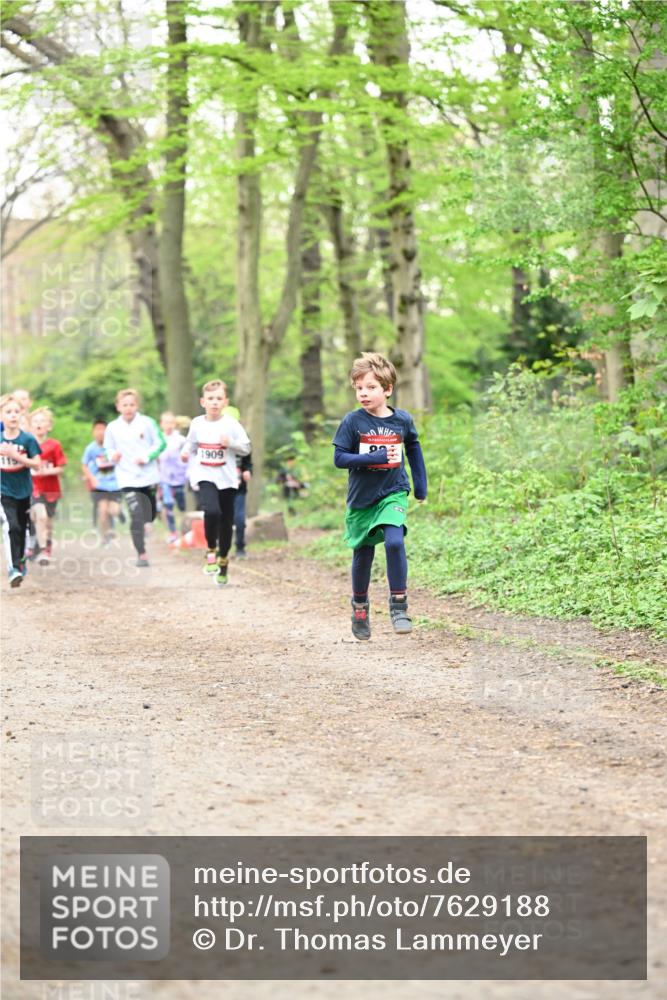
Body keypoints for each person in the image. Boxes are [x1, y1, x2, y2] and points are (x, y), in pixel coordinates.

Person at [332, 352, 427, 640]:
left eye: (371, 387)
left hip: (393, 491)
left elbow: (413, 447)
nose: (363, 393)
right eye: (359, 388)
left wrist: (420, 485)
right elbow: (339, 458)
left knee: (395, 541)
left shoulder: (402, 420)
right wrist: (369, 457)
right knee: (363, 553)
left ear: (387, 389)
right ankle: (360, 605)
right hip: (362, 498)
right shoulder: (353, 422)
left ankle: (399, 606)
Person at [181, 379, 250, 585]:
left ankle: (223, 560)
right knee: (212, 512)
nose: (214, 402)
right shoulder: (197, 423)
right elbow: (191, 444)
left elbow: (246, 448)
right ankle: (211, 549)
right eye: (210, 399)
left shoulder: (231, 424)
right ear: (203, 402)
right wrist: (185, 452)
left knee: (227, 522)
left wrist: (231, 444)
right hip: (204, 475)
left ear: (225, 402)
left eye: (219, 399)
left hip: (227, 479)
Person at [104, 389, 166, 567]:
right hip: (126, 476)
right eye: (125, 405)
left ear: (136, 406)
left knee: (150, 513)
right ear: (118, 407)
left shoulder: (148, 423)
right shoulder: (113, 427)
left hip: (148, 475)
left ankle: (149, 521)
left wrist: (146, 457)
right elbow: (108, 448)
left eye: (132, 404)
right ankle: (142, 553)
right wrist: (112, 455)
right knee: (136, 515)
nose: (128, 408)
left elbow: (161, 443)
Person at [0, 395, 42, 587]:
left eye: (17, 412)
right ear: (2, 416)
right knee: (11, 527)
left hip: (24, 491)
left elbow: (37, 464)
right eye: (8, 412)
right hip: (4, 491)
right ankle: (13, 568)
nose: (13, 415)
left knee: (23, 529)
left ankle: (21, 561)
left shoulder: (28, 439)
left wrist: (16, 455)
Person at [29, 407, 67, 565]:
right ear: (31, 426)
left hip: (52, 489)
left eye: (42, 421)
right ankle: (42, 550)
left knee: (48, 522)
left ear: (49, 426)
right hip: (33, 488)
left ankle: (45, 547)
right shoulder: (27, 443)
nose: (39, 424)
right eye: (36, 421)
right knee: (40, 516)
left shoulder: (54, 445)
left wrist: (47, 471)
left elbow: (61, 468)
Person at [81, 419, 123, 545]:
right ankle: (106, 537)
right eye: (97, 429)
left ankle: (121, 512)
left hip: (115, 484)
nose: (100, 432)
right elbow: (84, 465)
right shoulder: (90, 449)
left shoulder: (114, 446)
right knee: (103, 511)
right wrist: (91, 478)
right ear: (93, 432)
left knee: (113, 510)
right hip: (100, 485)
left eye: (103, 429)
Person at [158, 411, 188, 543]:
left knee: (181, 505)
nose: (168, 425)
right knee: (168, 504)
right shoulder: (158, 440)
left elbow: (190, 454)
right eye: (166, 423)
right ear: (161, 425)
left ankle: (184, 528)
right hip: (164, 478)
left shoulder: (181, 440)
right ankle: (173, 532)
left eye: (171, 422)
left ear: (175, 424)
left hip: (179, 478)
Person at [234, 451, 252, 558]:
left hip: (239, 491)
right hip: (221, 490)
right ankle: (219, 547)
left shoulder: (243, 443)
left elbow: (248, 463)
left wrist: (248, 471)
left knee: (239, 519)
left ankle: (240, 547)